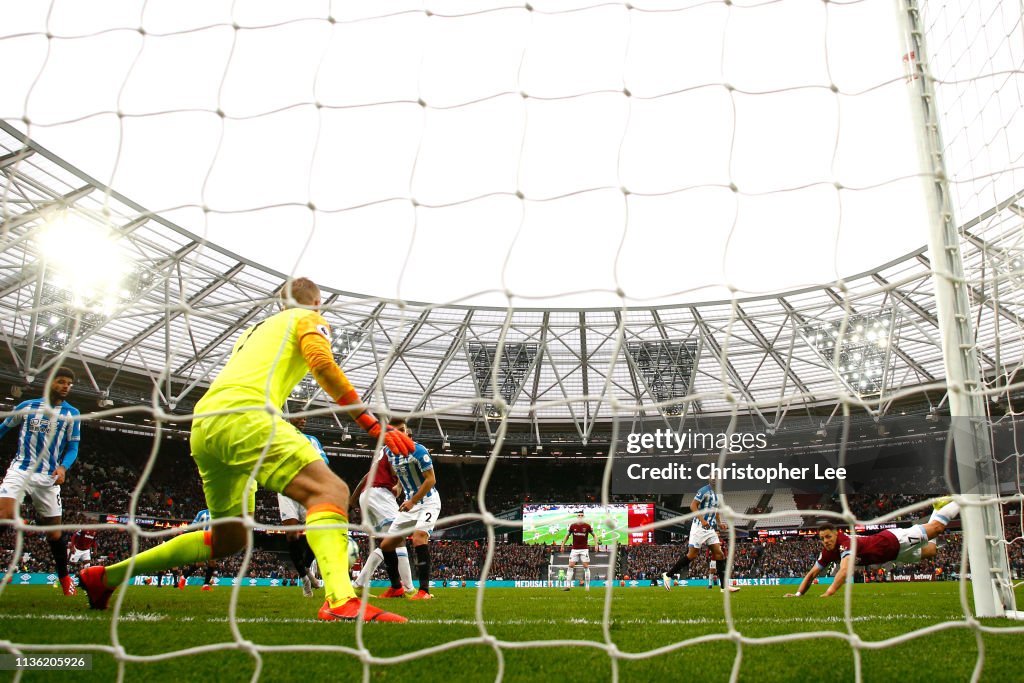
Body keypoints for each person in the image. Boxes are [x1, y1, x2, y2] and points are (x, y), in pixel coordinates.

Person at [80, 277, 415, 622]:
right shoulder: (308, 319)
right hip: (245, 415)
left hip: (206, 425)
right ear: (317, 303)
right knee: (330, 489)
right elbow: (322, 363)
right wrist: (372, 424)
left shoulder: (254, 331)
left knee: (229, 537)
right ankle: (340, 599)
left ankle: (105, 577)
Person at [0, 367, 81, 596]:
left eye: (69, 383)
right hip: (21, 470)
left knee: (54, 534)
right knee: (3, 515)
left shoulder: (72, 414)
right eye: (61, 381)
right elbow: (4, 428)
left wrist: (63, 467)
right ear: (50, 383)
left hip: (48, 478)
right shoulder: (27, 407)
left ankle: (65, 578)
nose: (66, 386)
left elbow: (73, 447)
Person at [784, 498, 960, 598]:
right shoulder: (828, 551)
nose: (826, 541)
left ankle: (962, 499)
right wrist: (798, 594)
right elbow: (812, 573)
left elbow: (844, 570)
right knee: (931, 550)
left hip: (894, 541)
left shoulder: (846, 542)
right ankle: (938, 509)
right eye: (822, 539)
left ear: (837, 533)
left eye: (828, 536)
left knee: (937, 529)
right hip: (894, 555)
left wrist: (828, 593)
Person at [378, 418, 440, 601]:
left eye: (402, 429)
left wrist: (412, 501)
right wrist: (398, 487)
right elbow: (401, 472)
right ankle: (397, 588)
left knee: (419, 538)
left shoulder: (418, 451)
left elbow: (431, 480)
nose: (400, 433)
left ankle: (424, 591)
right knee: (386, 545)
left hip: (428, 502)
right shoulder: (390, 453)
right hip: (410, 503)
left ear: (406, 432)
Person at [277, 415, 329, 597]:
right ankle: (305, 578)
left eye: (306, 419)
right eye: (299, 418)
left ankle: (306, 569)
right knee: (292, 535)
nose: (303, 421)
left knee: (317, 532)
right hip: (286, 489)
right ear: (290, 420)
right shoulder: (280, 438)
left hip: (308, 489)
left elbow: (324, 462)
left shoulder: (312, 441)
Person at [351, 447, 414, 596]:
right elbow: (395, 469)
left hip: (367, 495)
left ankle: (358, 585)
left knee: (386, 545)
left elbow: (365, 478)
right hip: (380, 494)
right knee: (398, 539)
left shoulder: (381, 454)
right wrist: (400, 483)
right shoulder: (396, 449)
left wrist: (353, 501)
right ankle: (410, 589)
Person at [661, 479, 741, 593]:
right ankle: (668, 575)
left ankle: (724, 587)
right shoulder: (704, 491)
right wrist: (702, 520)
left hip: (710, 529)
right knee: (692, 555)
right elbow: (693, 506)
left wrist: (719, 523)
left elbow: (716, 510)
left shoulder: (719, 494)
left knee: (719, 554)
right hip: (699, 527)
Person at [560, 511, 596, 591]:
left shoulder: (587, 526)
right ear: (577, 517)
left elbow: (594, 535)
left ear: (583, 517)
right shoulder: (573, 526)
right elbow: (567, 536)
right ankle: (568, 586)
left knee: (586, 567)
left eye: (582, 515)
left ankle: (587, 587)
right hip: (574, 549)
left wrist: (596, 545)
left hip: (584, 550)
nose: (580, 516)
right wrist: (562, 545)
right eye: (579, 515)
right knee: (570, 566)